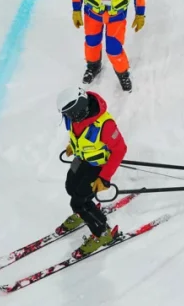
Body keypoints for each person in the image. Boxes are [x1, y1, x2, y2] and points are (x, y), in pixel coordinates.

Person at [56, 87, 127, 258]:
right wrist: (72, 146)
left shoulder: (105, 125)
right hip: (81, 159)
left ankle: (103, 233)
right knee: (70, 186)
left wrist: (104, 178)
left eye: (71, 113)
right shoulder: (75, 117)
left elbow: (120, 149)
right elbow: (80, 136)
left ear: (80, 107)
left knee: (78, 201)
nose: (69, 118)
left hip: (98, 166)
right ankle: (84, 213)